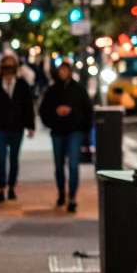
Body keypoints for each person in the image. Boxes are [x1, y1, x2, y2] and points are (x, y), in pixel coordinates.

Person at [39, 61, 93, 212]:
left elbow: (87, 110)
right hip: (58, 131)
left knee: (74, 165)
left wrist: (81, 125)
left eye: (66, 70)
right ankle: (62, 192)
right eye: (61, 70)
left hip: (74, 131)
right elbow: (44, 110)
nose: (63, 73)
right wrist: (55, 115)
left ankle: (72, 196)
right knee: (58, 165)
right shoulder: (53, 90)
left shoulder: (78, 90)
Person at [0, 53, 35, 201]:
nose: (8, 71)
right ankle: (1, 188)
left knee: (13, 159)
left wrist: (30, 126)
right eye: (6, 67)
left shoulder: (22, 85)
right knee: (1, 158)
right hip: (0, 128)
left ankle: (11, 187)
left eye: (11, 67)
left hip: (17, 128)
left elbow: (28, 106)